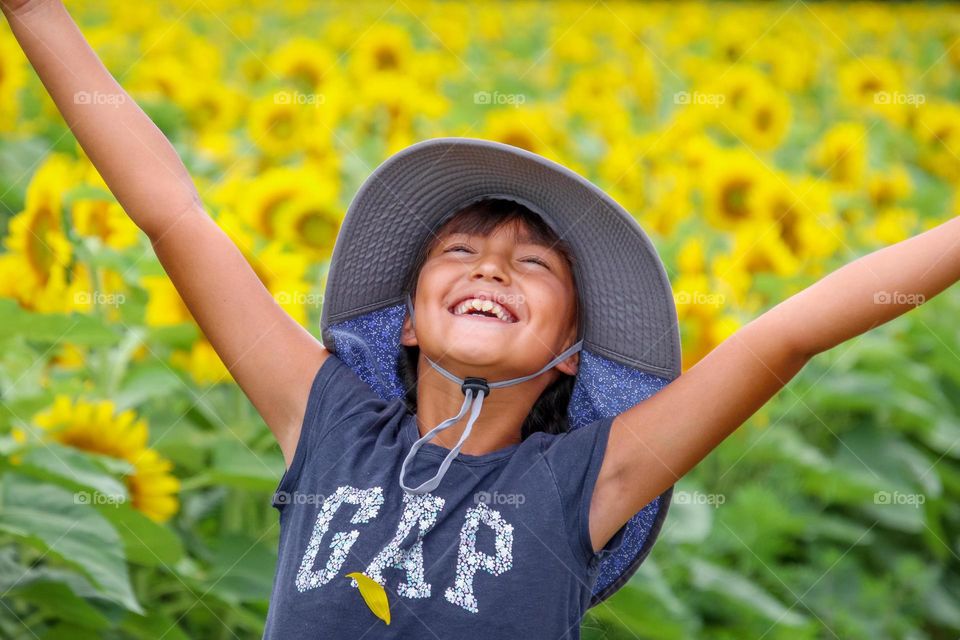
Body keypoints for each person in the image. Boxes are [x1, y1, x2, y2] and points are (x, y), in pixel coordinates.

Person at [4, 1, 959, 638]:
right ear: (408, 322)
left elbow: (787, 334)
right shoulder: (327, 421)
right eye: (458, 252)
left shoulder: (586, 480)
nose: (492, 265)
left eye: (533, 265)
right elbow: (173, 213)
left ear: (573, 353)